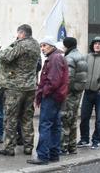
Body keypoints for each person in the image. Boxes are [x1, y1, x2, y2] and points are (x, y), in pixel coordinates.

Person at [0, 24, 40, 156]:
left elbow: (6, 56)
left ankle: (9, 148)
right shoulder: (36, 45)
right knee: (27, 118)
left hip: (16, 87)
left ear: (21, 33)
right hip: (30, 87)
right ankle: (28, 147)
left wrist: (1, 50)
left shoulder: (21, 45)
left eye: (18, 34)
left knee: (11, 118)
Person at [27, 36, 69, 165]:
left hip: (51, 97)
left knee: (45, 126)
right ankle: (53, 154)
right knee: (55, 126)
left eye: (44, 45)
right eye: (41, 46)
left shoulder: (55, 58)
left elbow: (53, 81)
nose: (42, 48)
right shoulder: (56, 57)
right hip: (56, 97)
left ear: (51, 46)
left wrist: (43, 93)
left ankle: (43, 156)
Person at [77, 36, 100, 150]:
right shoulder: (86, 57)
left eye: (99, 44)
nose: (97, 45)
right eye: (95, 43)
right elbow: (81, 72)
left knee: (99, 119)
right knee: (84, 117)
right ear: (92, 45)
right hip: (87, 92)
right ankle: (84, 139)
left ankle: (96, 140)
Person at [61, 37, 88, 155]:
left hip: (70, 93)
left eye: (63, 45)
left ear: (67, 46)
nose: (62, 47)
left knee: (65, 119)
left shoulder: (69, 58)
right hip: (78, 91)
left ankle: (63, 147)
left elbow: (68, 78)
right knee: (73, 120)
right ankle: (72, 147)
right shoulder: (81, 56)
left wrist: (64, 92)